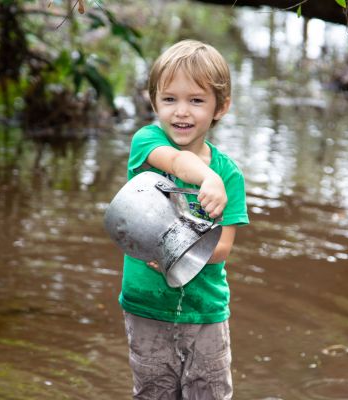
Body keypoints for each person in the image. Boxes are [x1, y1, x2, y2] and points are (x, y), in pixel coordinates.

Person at [119, 39, 249, 400]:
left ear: (220, 107)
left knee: (210, 392)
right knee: (153, 391)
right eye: (169, 99)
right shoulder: (148, 143)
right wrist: (207, 179)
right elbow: (177, 163)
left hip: (205, 309)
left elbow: (222, 247)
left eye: (196, 100)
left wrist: (176, 256)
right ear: (154, 101)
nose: (181, 112)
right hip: (146, 304)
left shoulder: (230, 176)